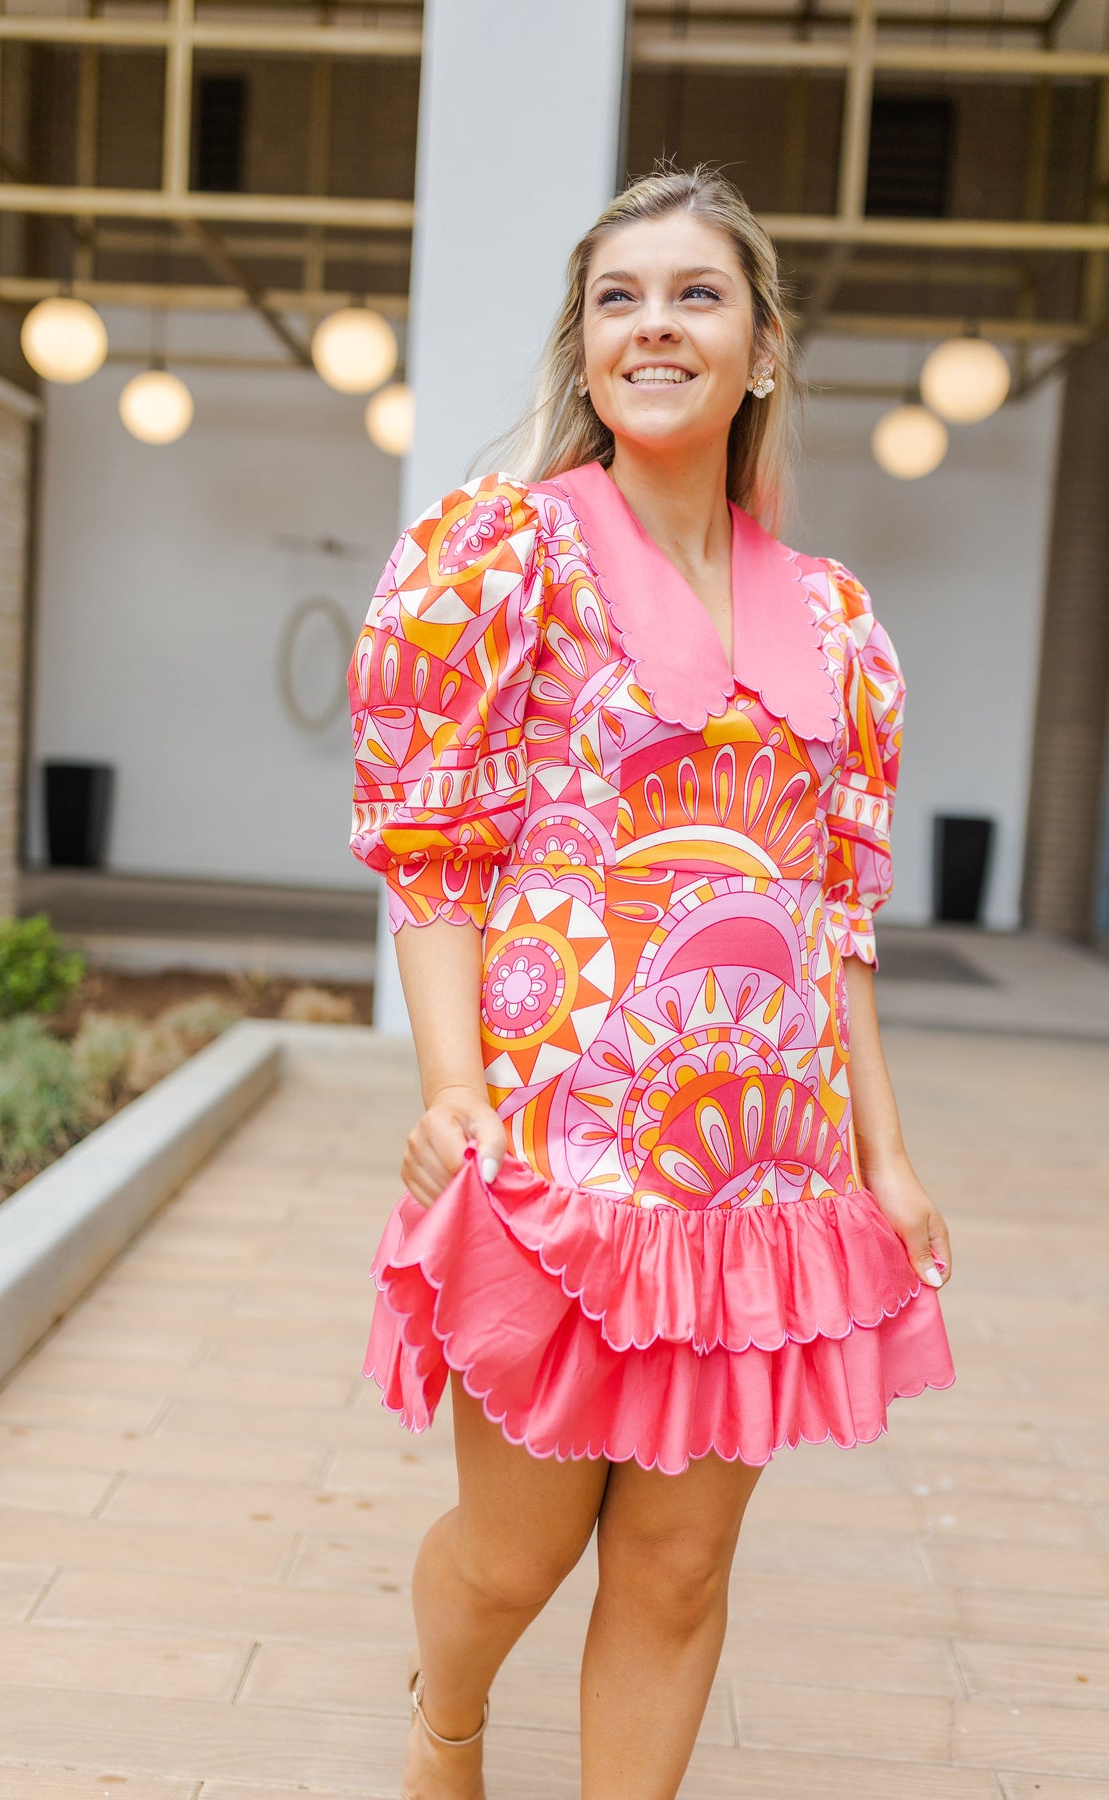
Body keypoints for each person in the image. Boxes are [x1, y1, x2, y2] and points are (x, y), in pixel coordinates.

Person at [345, 162, 956, 1800]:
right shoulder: (505, 556)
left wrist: (886, 1156)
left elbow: (835, 913)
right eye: (618, 298)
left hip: (762, 1176)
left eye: (697, 294)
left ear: (762, 348)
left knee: (681, 1566)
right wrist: (451, 1089)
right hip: (560, 1160)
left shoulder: (838, 623)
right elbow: (435, 853)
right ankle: (448, 1725)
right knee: (514, 1555)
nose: (655, 325)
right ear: (586, 346)